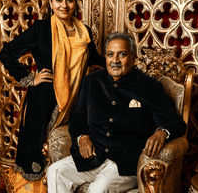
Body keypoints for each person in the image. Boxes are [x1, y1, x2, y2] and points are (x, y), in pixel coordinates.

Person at [47, 32, 186, 193]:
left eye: (122, 54)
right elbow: (78, 117)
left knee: (98, 189)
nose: (115, 60)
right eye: (110, 54)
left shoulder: (150, 87)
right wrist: (82, 138)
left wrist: (162, 132)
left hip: (125, 164)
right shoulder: (91, 82)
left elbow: (176, 123)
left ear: (133, 58)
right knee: (55, 172)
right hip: (92, 158)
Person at [0, 0, 105, 181]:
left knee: (65, 156)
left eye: (69, 0)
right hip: (42, 101)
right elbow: (7, 53)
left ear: (75, 3)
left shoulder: (85, 32)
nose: (64, 5)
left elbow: (95, 60)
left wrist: (118, 64)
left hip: (74, 101)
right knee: (36, 154)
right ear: (50, 2)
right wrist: (30, 79)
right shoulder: (41, 29)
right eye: (59, 0)